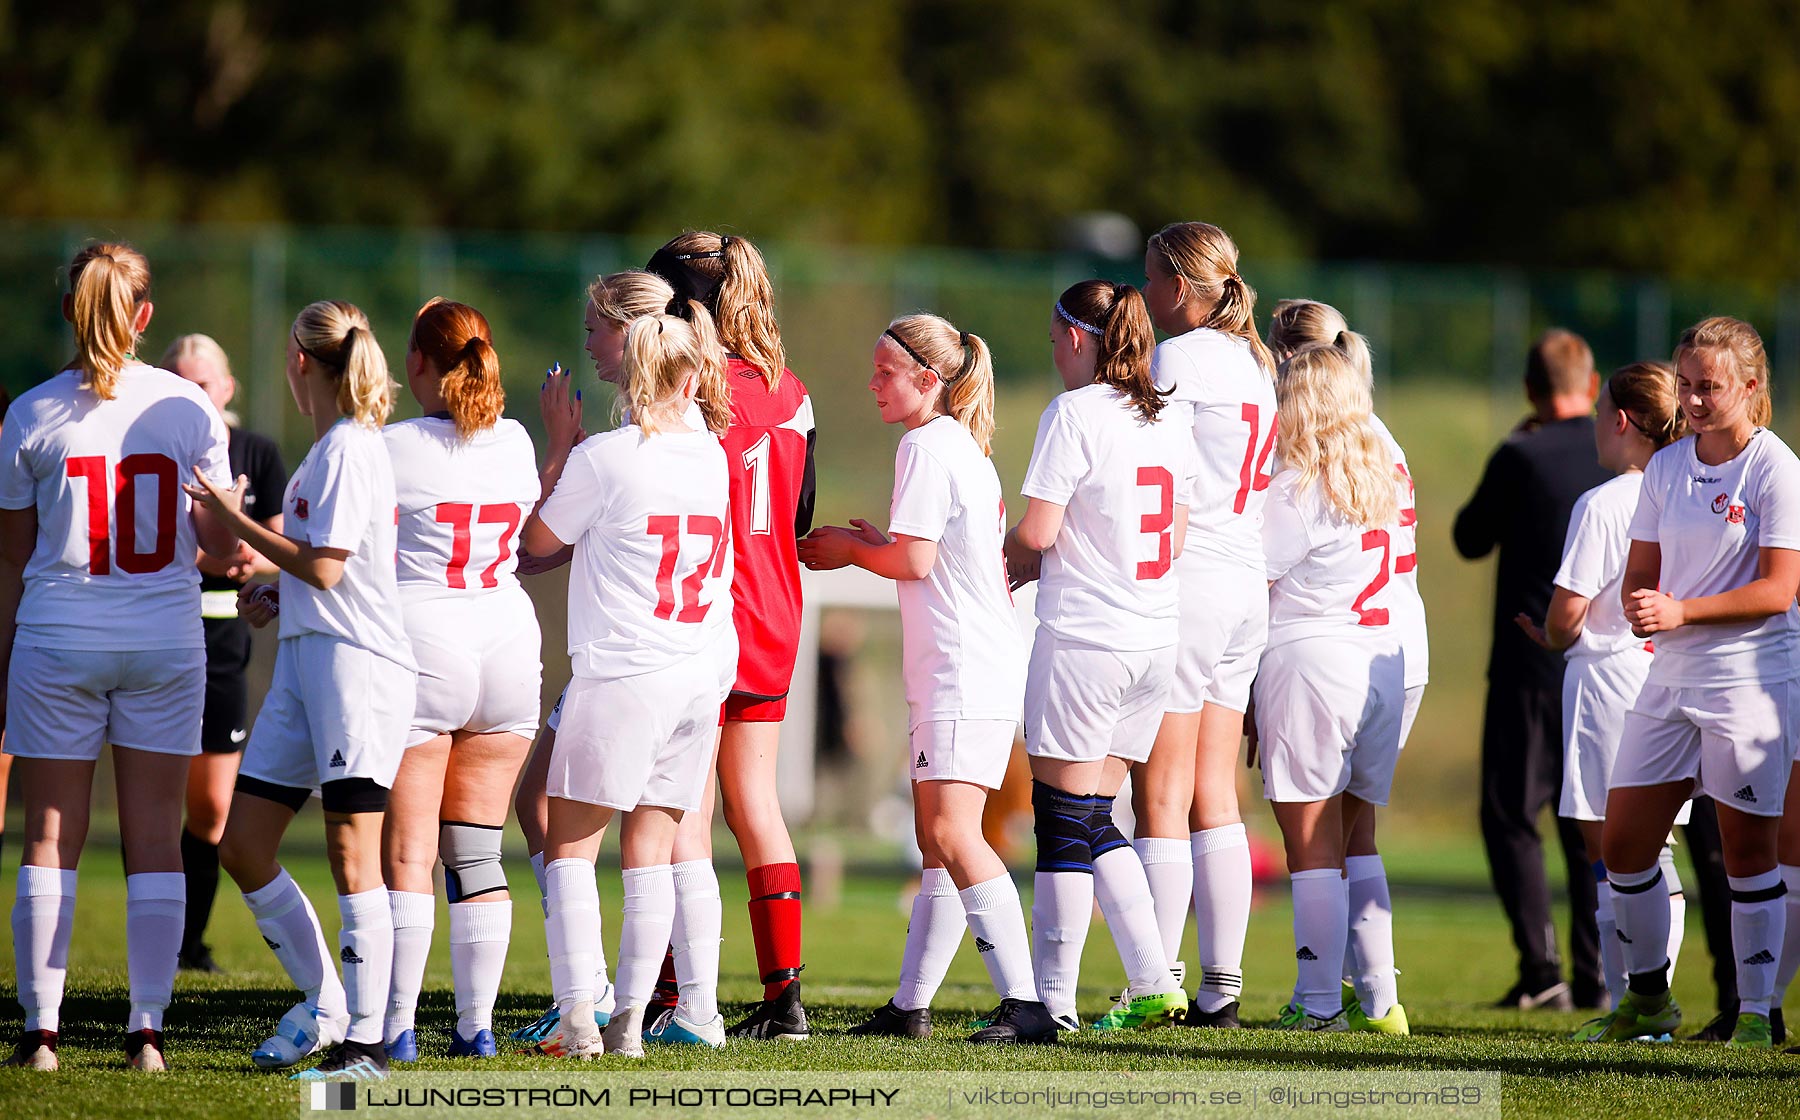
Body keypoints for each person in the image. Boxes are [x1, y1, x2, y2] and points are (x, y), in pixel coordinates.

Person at [0, 243, 235, 1071]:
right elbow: (216, 548)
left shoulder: (28, 413)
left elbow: (10, 561)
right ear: (143, 317)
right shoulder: (188, 407)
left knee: (49, 840)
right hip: (164, 640)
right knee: (155, 843)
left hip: (58, 637)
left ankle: (41, 1035)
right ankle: (145, 1034)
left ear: (70, 309)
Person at [799, 312, 1045, 1043]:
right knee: (937, 838)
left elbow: (915, 562)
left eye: (886, 372)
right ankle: (911, 1006)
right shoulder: (951, 444)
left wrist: (847, 549)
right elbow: (923, 554)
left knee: (951, 833)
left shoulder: (927, 446)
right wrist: (876, 545)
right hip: (966, 664)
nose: (873, 383)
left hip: (964, 668)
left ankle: (1027, 1004)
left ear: (929, 380)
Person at [188, 300, 417, 1079]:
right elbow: (319, 571)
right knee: (243, 845)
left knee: (355, 853)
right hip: (305, 661)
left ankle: (368, 1049)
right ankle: (326, 1006)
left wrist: (232, 520)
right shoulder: (327, 449)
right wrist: (276, 594)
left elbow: (327, 564)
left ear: (298, 362)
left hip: (357, 668)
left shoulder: (353, 446)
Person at [521, 306, 732, 1060]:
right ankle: (629, 1027)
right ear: (692, 371)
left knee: (573, 848)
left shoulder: (607, 457)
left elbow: (533, 543)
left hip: (622, 674)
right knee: (651, 854)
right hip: (693, 676)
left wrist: (555, 448)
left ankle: (581, 1018)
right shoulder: (711, 455)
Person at [1593, 317, 1800, 1049]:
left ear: (1750, 386)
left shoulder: (1775, 467)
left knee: (1748, 856)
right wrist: (1640, 604)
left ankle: (1756, 1014)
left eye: (1708, 386)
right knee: (1622, 845)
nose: (1694, 400)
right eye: (1686, 385)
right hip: (1669, 680)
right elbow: (1640, 573)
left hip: (1749, 681)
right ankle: (1649, 1001)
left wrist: (1680, 609)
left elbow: (1779, 590)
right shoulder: (1667, 466)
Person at [1004, 280, 1195, 1038]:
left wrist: (1002, 566)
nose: (1054, 357)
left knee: (1059, 818)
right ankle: (1153, 979)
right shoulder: (1166, 413)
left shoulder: (1074, 413)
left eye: (1055, 343)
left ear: (1079, 339)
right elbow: (1176, 536)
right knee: (1092, 817)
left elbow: (1039, 533)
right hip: (1155, 639)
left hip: (1089, 636)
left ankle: (1051, 1006)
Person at [646, 232, 817, 1040]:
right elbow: (801, 513)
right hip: (777, 610)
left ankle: (677, 991)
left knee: (683, 808)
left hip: (707, 610)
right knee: (757, 805)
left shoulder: (690, 387)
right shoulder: (792, 390)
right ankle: (785, 1000)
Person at [379, 298, 542, 1061]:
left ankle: (398, 1027)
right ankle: (475, 1027)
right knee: (477, 852)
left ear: (418, 362)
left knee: (409, 853)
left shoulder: (394, 445)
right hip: (506, 643)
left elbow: (347, 554)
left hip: (424, 642)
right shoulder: (512, 440)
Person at [1513, 361, 1691, 1038]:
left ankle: (1634, 1004)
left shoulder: (1607, 501)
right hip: (1667, 673)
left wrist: (1554, 633)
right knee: (1657, 847)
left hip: (1608, 680)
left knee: (1610, 848)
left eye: (1600, 413)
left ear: (1621, 421)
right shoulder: (1683, 492)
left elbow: (1567, 616)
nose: (1593, 424)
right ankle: (1653, 1001)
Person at [1265, 301, 1424, 1033]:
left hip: (1314, 659)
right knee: (1357, 837)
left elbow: (1254, 576)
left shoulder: (1297, 482)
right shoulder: (1382, 462)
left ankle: (1320, 1001)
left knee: (1310, 847)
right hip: (1381, 662)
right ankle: (1381, 998)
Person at [1138, 221, 1276, 1028]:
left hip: (1193, 581)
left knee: (1163, 793)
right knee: (1215, 794)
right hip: (1243, 583)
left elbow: (1160, 473)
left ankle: (1158, 981)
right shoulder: (1255, 362)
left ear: (1181, 287)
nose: (1146, 298)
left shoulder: (1179, 358)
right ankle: (1221, 989)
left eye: (1152, 282)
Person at [1453, 328, 1609, 1010]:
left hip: (1526, 662)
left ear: (1528, 390)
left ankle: (1542, 971)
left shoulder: (1522, 453)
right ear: (1595, 385)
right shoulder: (1624, 457)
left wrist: (1515, 443)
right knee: (1590, 821)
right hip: (1607, 663)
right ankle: (1599, 972)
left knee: (1512, 815)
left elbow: (1468, 537)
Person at [160, 333, 288, 976]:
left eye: (204, 383)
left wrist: (244, 554)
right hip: (160, 636)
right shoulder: (154, 447)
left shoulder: (259, 453)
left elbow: (285, 547)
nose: (194, 395)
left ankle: (190, 943)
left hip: (227, 646)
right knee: (153, 800)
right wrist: (215, 552)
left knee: (212, 810)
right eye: (180, 382)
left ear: (227, 388)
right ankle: (160, 943)